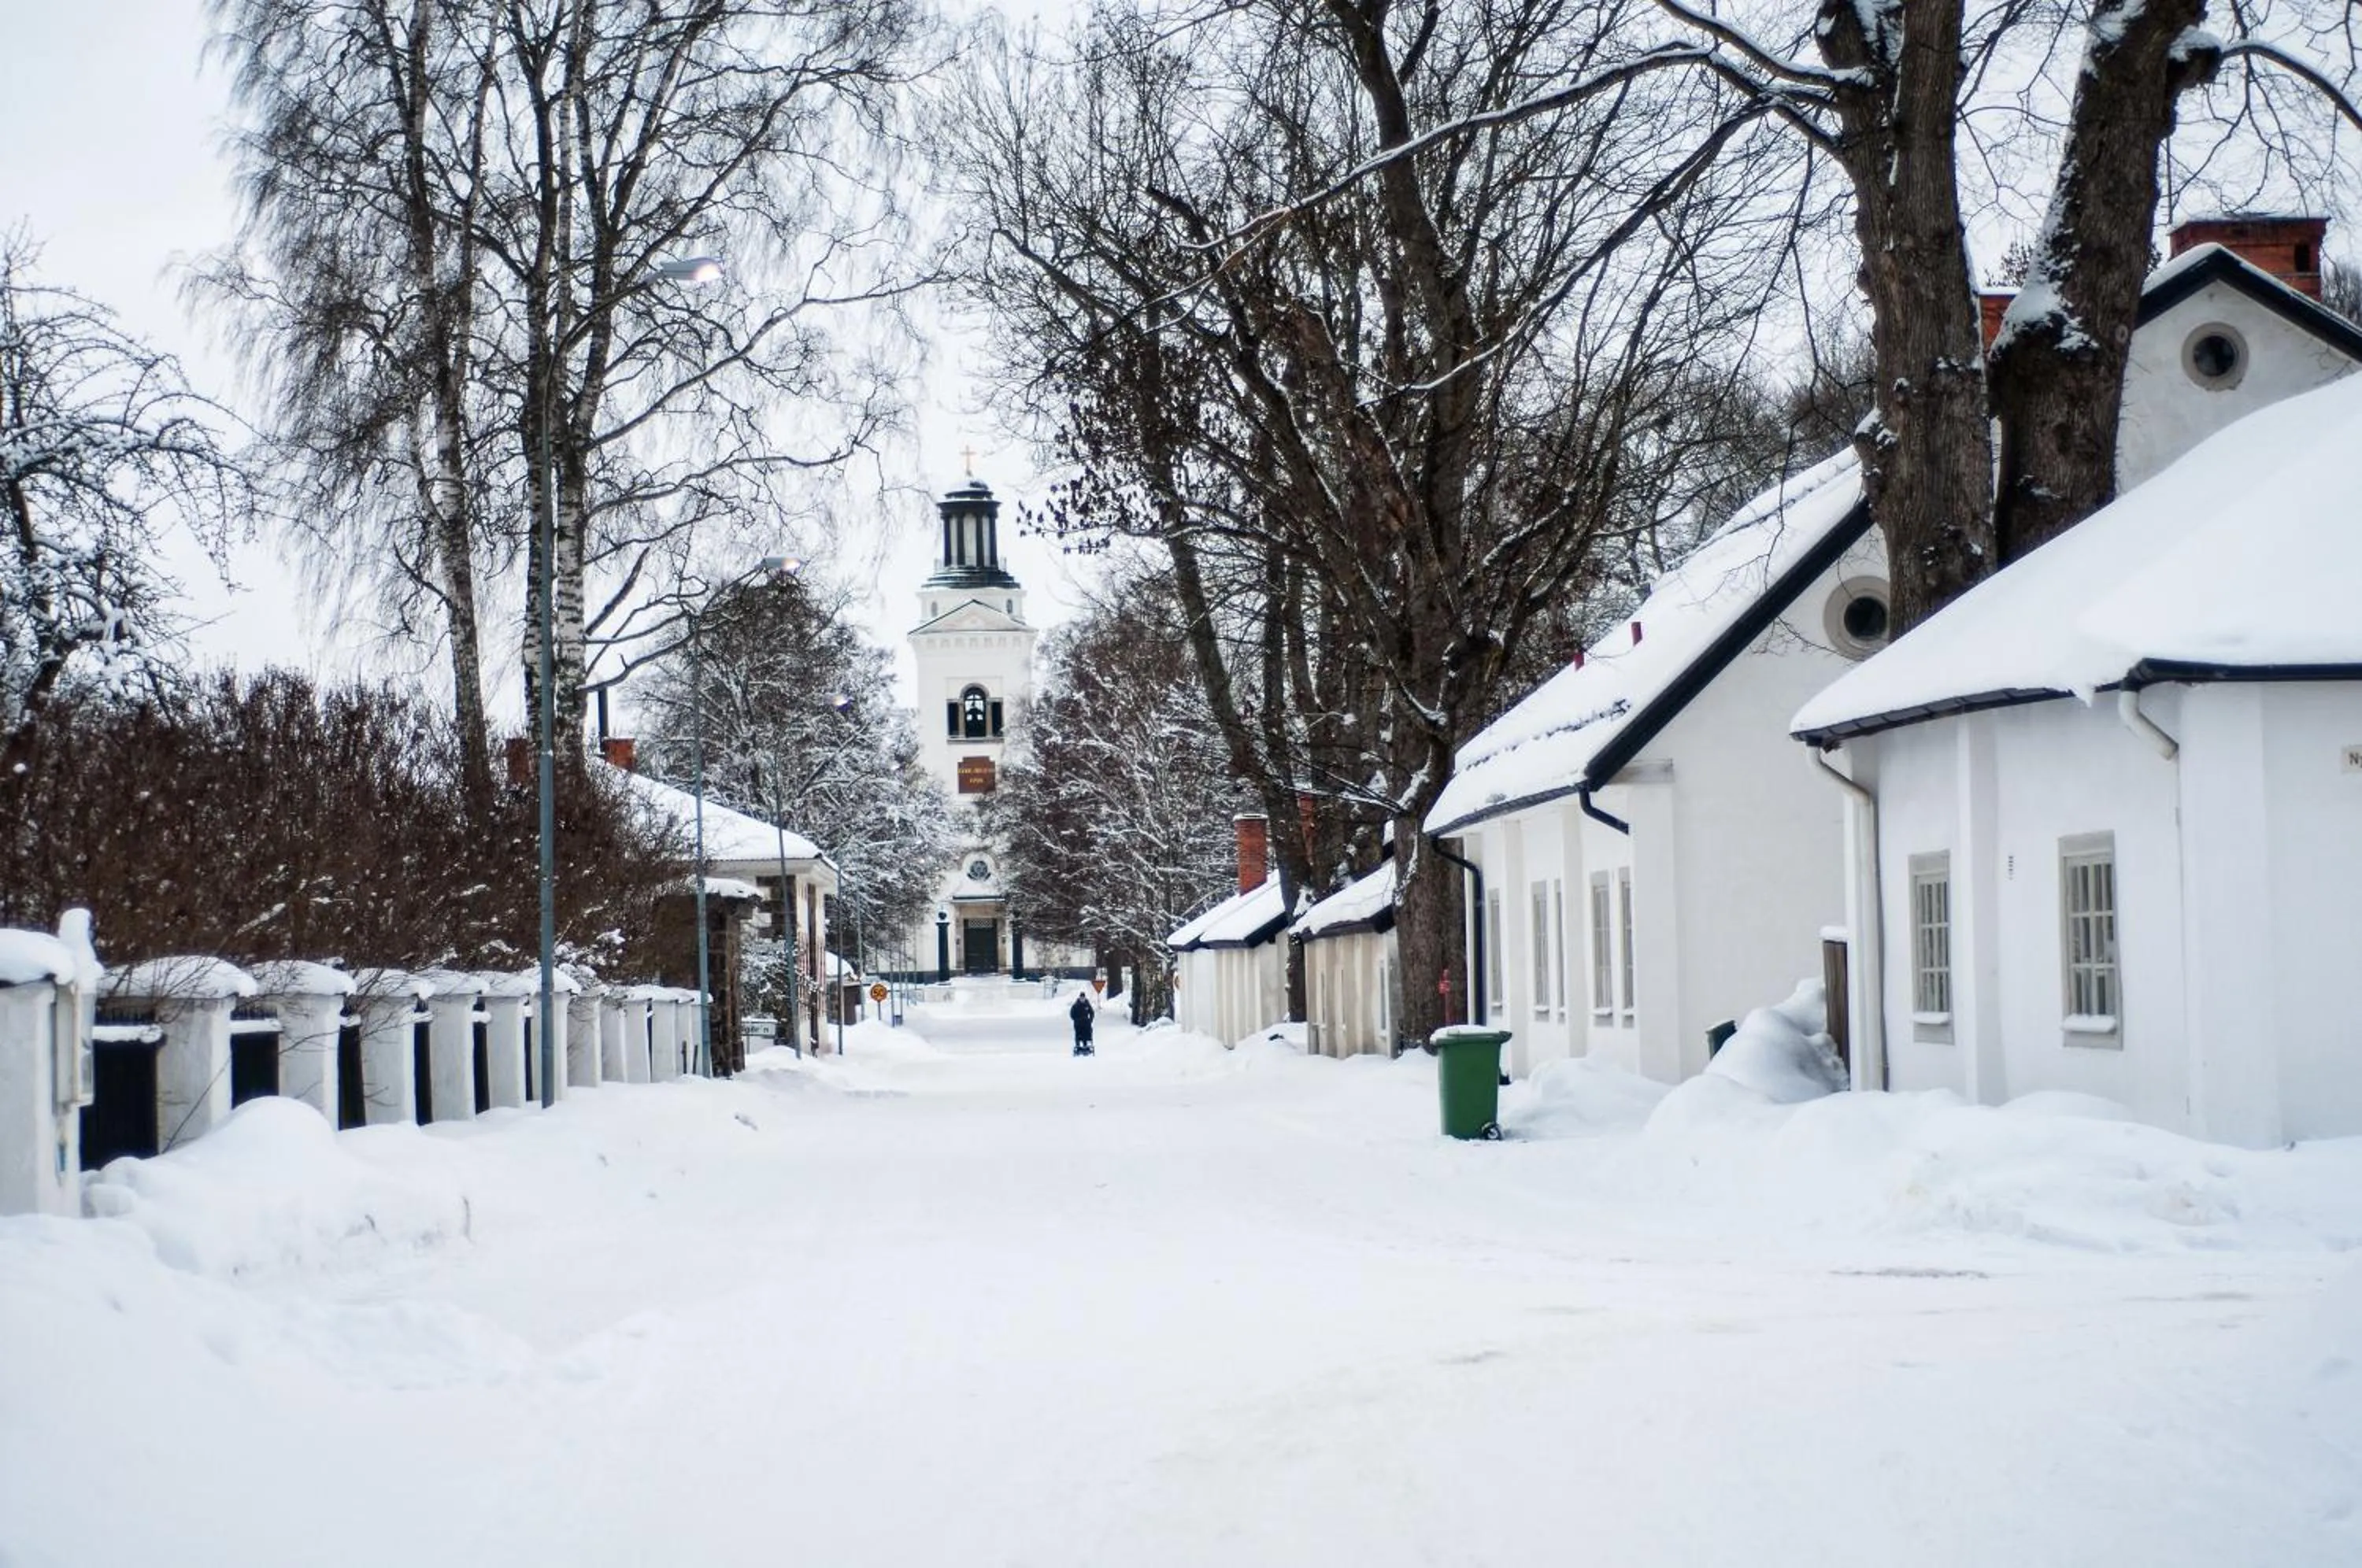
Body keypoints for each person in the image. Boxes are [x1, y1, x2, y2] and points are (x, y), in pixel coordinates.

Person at [1068, 989, 1095, 1056]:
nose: (1082, 999)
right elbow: (1072, 1013)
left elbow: (1092, 1012)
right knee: (1078, 1035)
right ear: (1079, 998)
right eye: (1081, 998)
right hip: (1078, 1024)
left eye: (1083, 998)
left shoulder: (1087, 1005)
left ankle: (1085, 1046)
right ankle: (1078, 1046)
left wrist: (1090, 1020)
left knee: (1086, 1035)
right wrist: (1075, 1019)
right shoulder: (1076, 1005)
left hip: (1086, 1023)